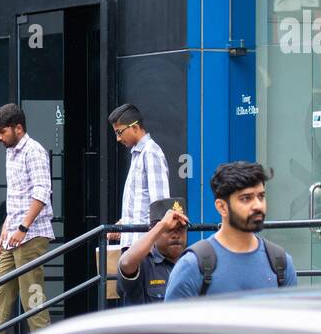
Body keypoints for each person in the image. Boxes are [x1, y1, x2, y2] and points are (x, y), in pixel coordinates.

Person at [0, 103, 55, 334]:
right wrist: (7, 228)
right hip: (15, 233)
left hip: (31, 234)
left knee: (31, 292)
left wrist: (22, 227)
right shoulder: (12, 151)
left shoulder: (33, 151)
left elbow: (42, 192)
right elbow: (16, 197)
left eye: (2, 132)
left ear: (18, 128)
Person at [164, 161, 298, 300]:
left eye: (261, 196)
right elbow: (173, 321)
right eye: (246, 198)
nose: (258, 205)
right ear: (221, 207)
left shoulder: (280, 262)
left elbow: (293, 319)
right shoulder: (193, 265)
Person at [108, 104, 170, 249]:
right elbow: (140, 205)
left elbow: (159, 206)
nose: (118, 138)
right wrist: (124, 223)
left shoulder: (150, 152)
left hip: (145, 248)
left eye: (119, 132)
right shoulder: (139, 154)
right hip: (134, 245)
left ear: (134, 127)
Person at [116, 198, 189, 307]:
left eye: (181, 229)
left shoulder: (190, 262)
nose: (176, 235)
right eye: (169, 230)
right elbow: (126, 263)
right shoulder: (143, 263)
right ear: (154, 231)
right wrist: (163, 225)